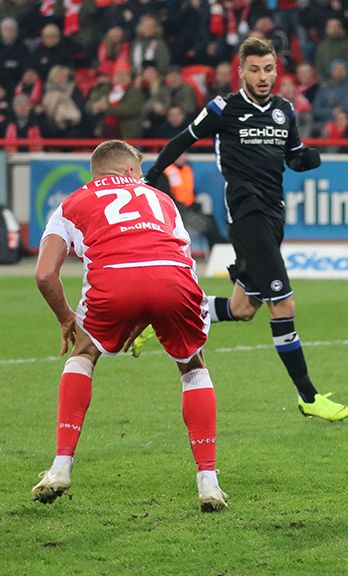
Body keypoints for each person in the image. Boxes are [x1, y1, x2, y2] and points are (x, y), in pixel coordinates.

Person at [140, 36, 348, 422]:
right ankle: (308, 395)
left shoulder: (284, 110)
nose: (263, 76)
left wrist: (309, 159)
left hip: (273, 215)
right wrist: (151, 175)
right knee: (283, 304)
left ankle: (162, 316)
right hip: (246, 214)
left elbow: (292, 157)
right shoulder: (223, 108)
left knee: (241, 309)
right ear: (242, 72)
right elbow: (183, 138)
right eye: (255, 69)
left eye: (269, 68)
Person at [32, 140, 227, 512]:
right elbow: (179, 259)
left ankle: (60, 468)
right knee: (192, 365)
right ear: (129, 171)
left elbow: (44, 274)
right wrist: (153, 311)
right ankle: (208, 482)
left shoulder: (71, 204)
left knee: (84, 353)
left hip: (114, 283)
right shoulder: (162, 200)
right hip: (174, 280)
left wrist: (66, 318)